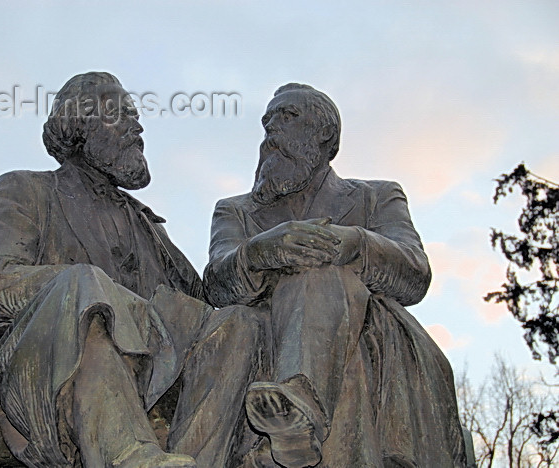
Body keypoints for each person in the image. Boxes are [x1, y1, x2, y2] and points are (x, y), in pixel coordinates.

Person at [169, 83, 467, 467]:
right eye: (267, 121)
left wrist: (355, 244)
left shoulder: (377, 196)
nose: (271, 129)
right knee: (234, 322)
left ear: (324, 133)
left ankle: (300, 401)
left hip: (366, 328)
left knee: (321, 273)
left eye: (287, 116)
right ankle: (221, 447)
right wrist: (260, 252)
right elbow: (215, 285)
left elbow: (415, 274)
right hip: (262, 327)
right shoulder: (235, 210)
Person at [0, 71, 208, 468]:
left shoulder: (147, 225)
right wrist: (102, 293)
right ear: (78, 125)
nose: (137, 125)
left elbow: (204, 307)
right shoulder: (25, 189)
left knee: (237, 325)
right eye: (119, 114)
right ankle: (126, 455)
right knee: (82, 281)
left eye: (135, 114)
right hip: (42, 380)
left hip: (151, 383)